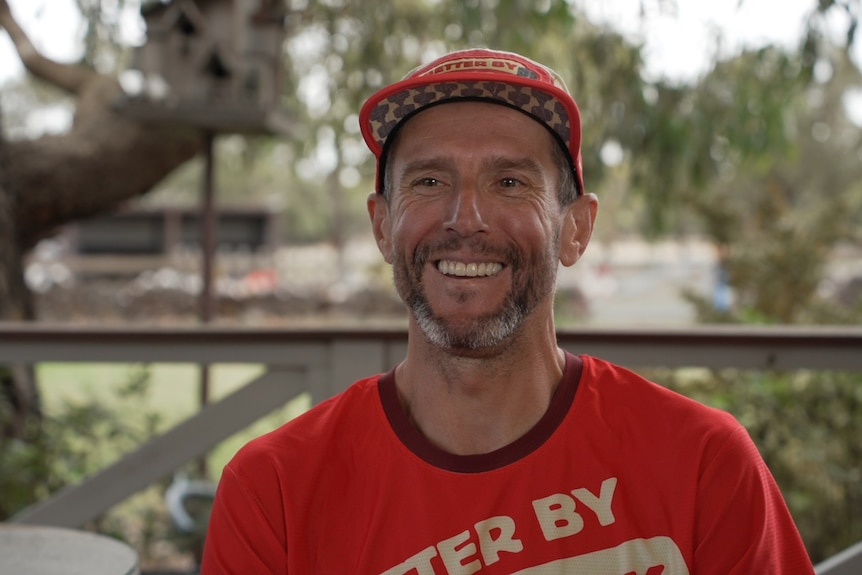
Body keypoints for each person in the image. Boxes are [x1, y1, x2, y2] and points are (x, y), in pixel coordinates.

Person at [200, 48, 814, 574]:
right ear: (383, 226)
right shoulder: (274, 492)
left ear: (576, 229)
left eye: (511, 183)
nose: (466, 218)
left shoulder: (703, 464)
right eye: (430, 182)